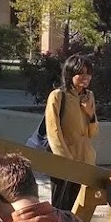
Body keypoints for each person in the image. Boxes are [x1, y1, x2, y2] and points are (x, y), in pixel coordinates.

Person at [44, 54, 96, 212]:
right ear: (70, 74)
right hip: (64, 161)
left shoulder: (89, 96)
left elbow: (92, 133)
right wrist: (66, 160)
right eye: (81, 73)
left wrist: (90, 113)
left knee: (77, 208)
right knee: (60, 206)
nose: (85, 77)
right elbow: (53, 131)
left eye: (88, 73)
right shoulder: (58, 96)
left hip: (84, 160)